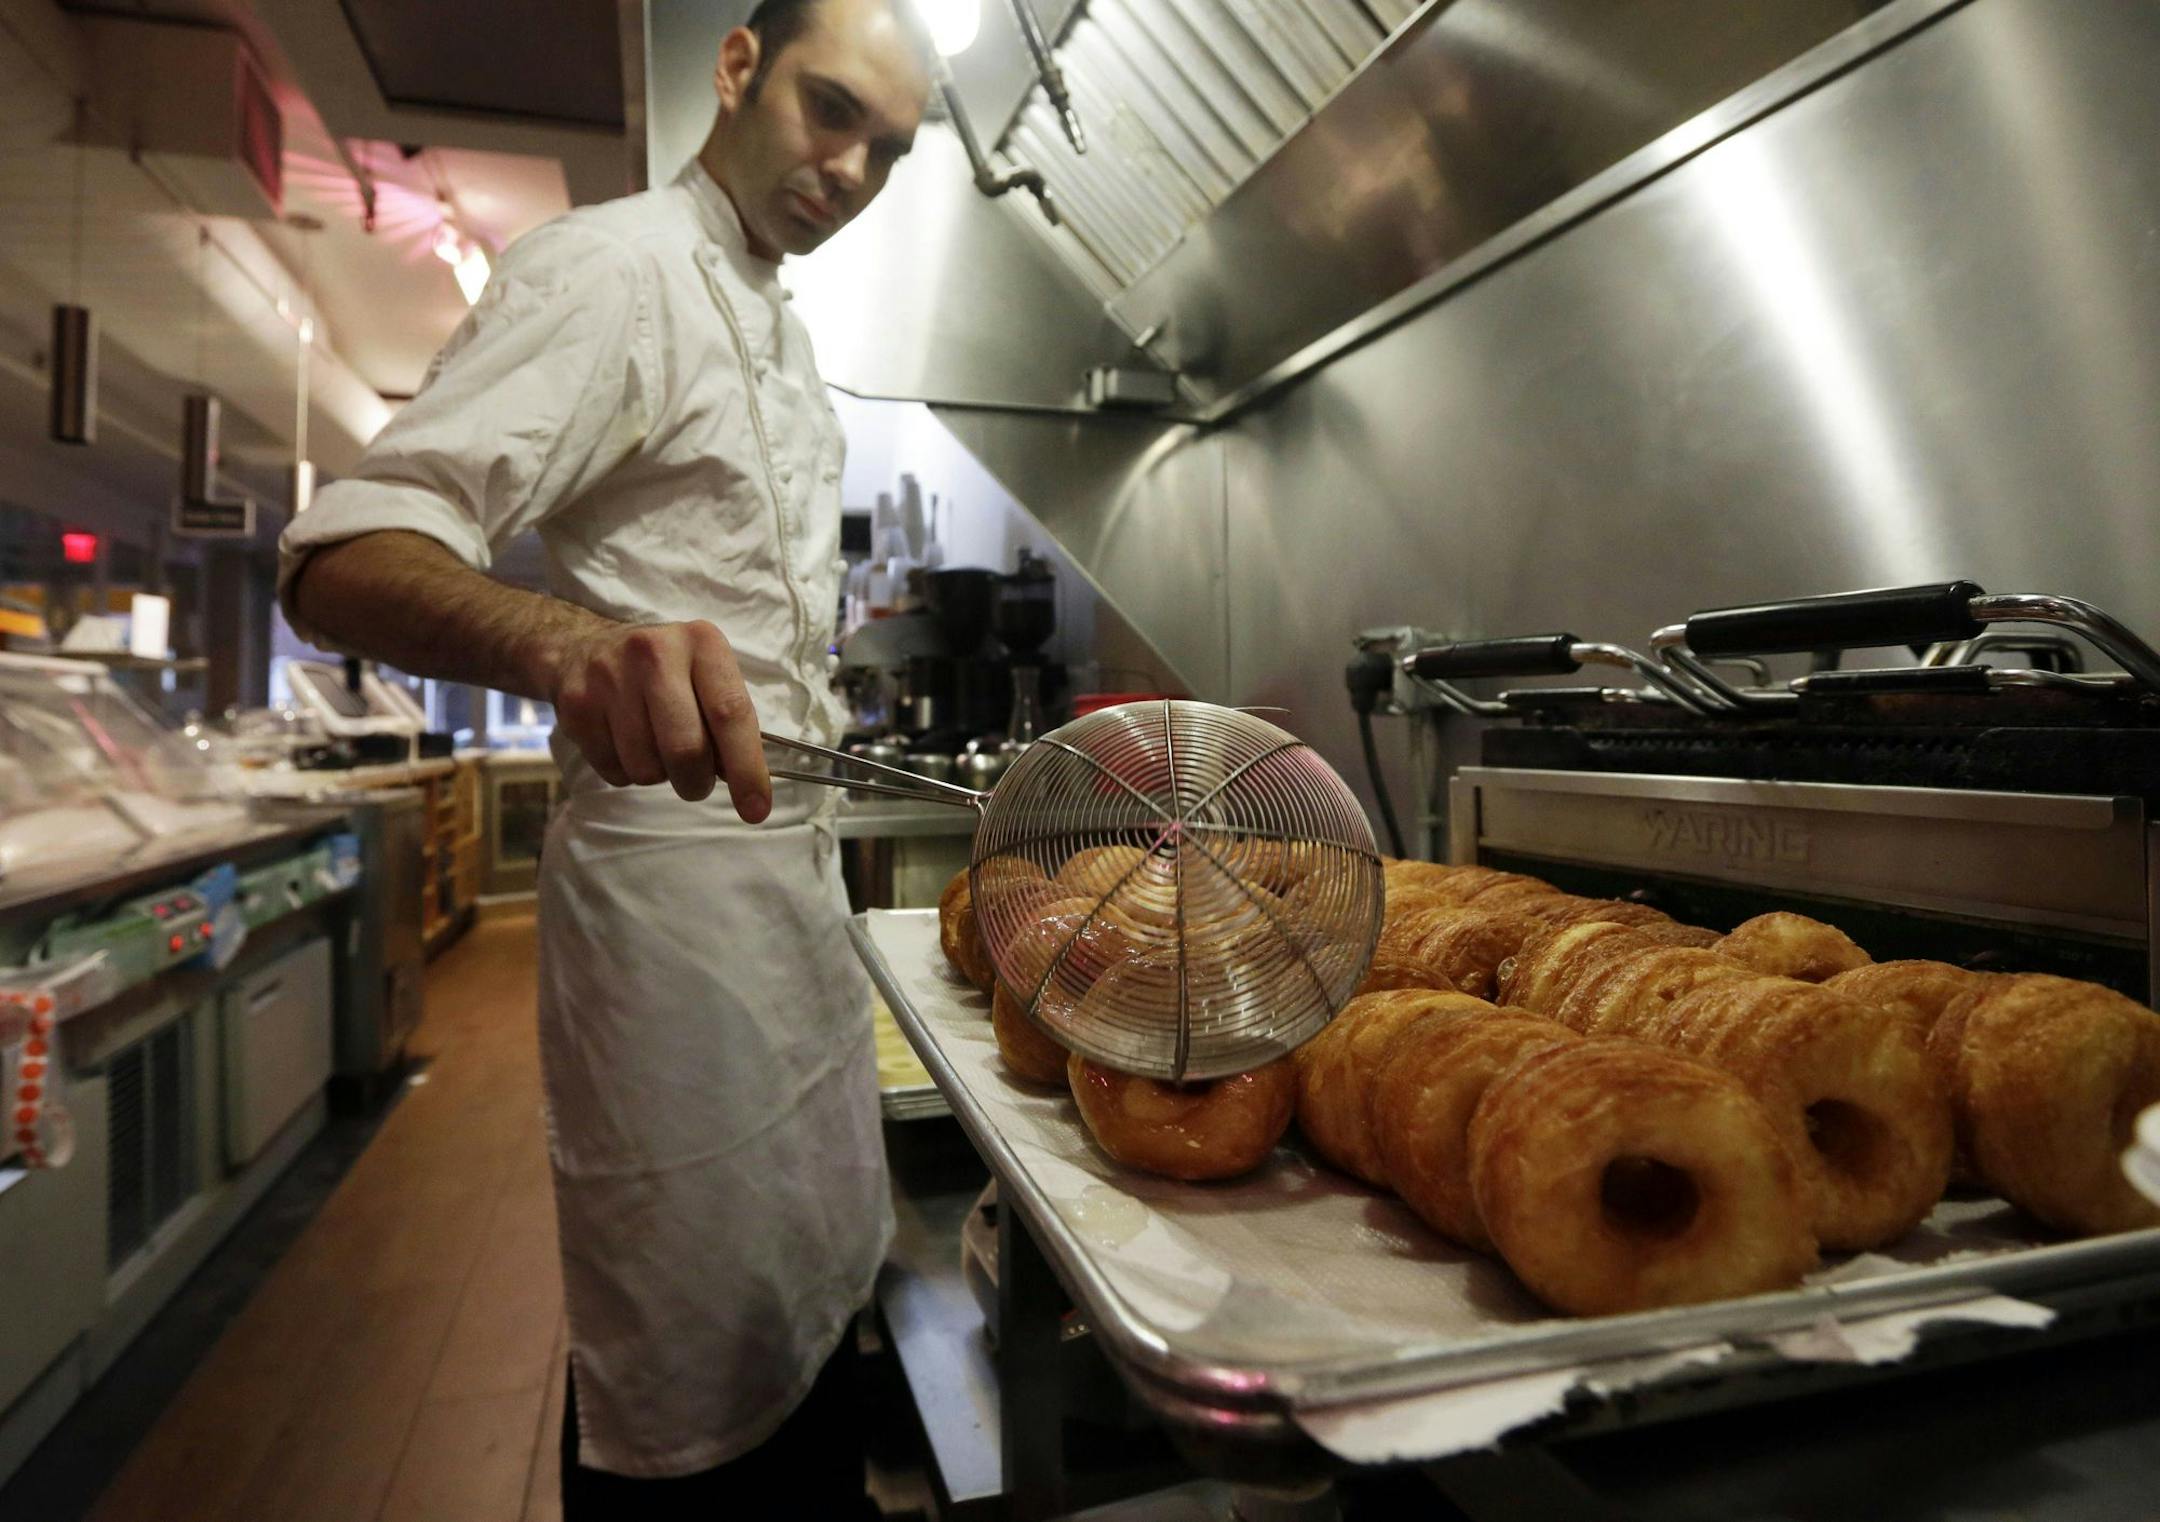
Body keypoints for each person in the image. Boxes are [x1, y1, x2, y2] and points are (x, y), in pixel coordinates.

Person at [277, 1, 933, 1512]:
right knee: (693, 1373)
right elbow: (342, 554)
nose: (849, 169)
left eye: (887, 153)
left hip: (787, 899)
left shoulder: (774, 321)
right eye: (831, 112)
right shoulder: (615, 269)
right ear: (738, 66)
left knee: (809, 1309)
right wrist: (567, 647)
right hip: (673, 922)